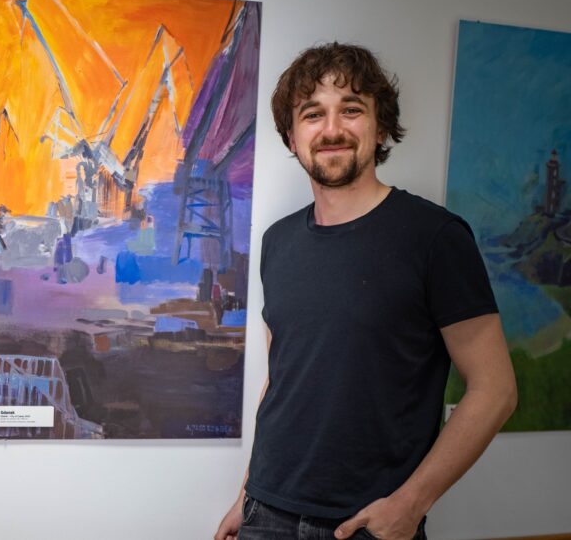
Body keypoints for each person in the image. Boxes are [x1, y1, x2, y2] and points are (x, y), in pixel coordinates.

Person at [214, 44, 517, 540]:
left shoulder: (435, 237)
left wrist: (410, 505)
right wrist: (246, 495)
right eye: (313, 114)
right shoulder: (277, 241)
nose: (332, 129)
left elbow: (496, 390)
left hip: (367, 527)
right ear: (292, 137)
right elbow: (283, 382)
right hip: (265, 515)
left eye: (351, 110)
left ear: (380, 127)